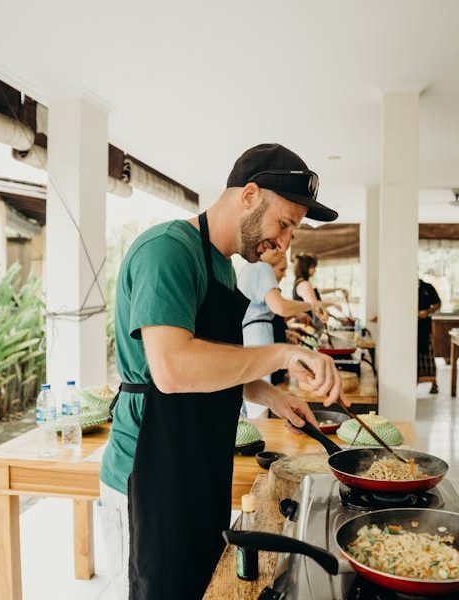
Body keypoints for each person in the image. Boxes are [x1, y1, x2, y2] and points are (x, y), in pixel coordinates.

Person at [98, 143, 343, 600]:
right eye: (284, 224)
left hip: (200, 464)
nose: (285, 243)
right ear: (249, 195)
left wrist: (272, 396)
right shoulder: (168, 251)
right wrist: (282, 355)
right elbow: (172, 369)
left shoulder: (224, 270)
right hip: (147, 475)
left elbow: (214, 363)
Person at [238, 248, 313, 416]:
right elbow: (281, 307)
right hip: (259, 335)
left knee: (256, 401)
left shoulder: (247, 268)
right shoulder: (261, 267)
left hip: (251, 335)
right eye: (281, 269)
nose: (284, 275)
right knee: (263, 403)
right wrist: (311, 305)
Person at [417, 278, 442, 394]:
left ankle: (434, 383)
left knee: (429, 355)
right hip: (410, 329)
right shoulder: (405, 288)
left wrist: (428, 311)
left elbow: (438, 303)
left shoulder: (428, 287)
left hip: (425, 328)